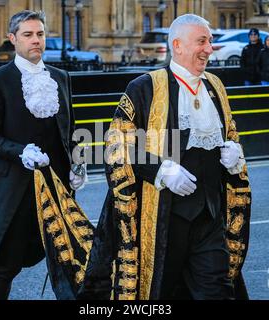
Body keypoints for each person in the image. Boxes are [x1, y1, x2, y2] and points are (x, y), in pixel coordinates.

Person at [77, 14, 252, 300]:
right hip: (161, 221)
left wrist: (234, 153)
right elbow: (116, 145)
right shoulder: (144, 87)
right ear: (178, 45)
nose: (209, 48)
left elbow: (230, 134)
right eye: (202, 41)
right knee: (160, 293)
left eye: (210, 41)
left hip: (209, 217)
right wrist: (159, 170)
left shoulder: (216, 87)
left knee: (217, 292)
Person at [0, 10, 86, 300]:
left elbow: (68, 131)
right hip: (17, 190)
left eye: (39, 34)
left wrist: (78, 164)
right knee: (6, 267)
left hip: (58, 188)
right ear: (13, 39)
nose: (36, 40)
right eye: (28, 34)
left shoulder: (61, 77)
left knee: (69, 262)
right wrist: (19, 151)